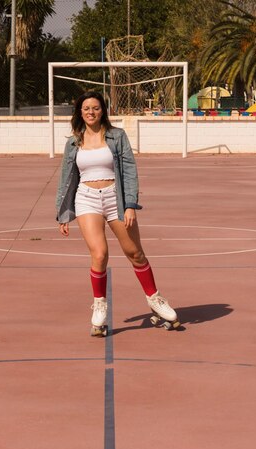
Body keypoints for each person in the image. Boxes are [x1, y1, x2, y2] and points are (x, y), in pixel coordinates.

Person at [55, 90, 180, 336]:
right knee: (99, 254)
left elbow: (130, 170)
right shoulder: (73, 142)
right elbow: (66, 179)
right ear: (80, 112)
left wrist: (130, 204)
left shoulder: (117, 136)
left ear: (103, 111)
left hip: (116, 198)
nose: (91, 112)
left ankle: (155, 300)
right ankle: (99, 306)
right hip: (87, 199)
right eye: (86, 108)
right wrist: (62, 214)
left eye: (96, 108)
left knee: (135, 253)